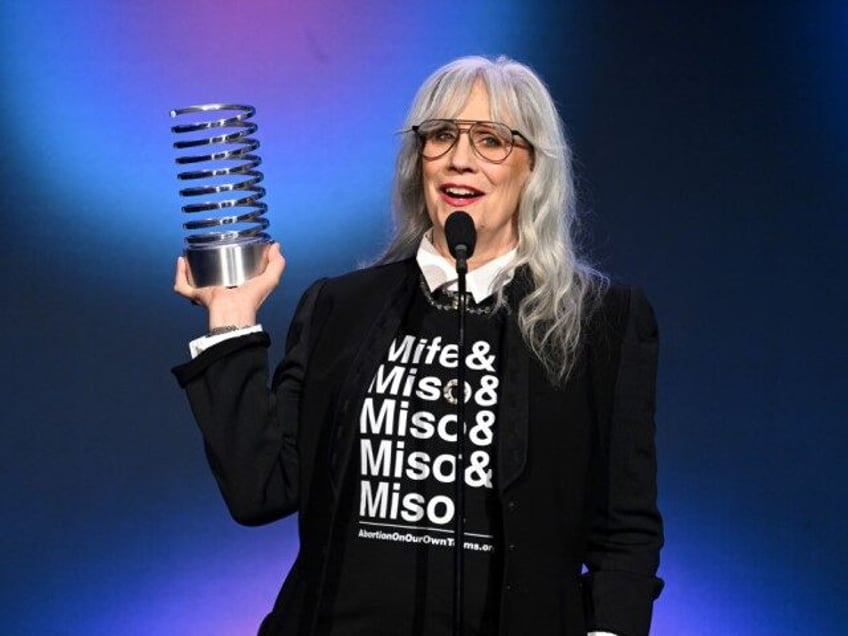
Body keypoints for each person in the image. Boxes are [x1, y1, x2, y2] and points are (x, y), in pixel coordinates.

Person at [173, 55, 663, 636]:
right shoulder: (340, 307)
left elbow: (623, 529)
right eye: (441, 136)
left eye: (492, 140)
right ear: (417, 160)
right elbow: (261, 490)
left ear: (534, 168)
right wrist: (230, 319)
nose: (461, 159)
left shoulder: (599, 320)